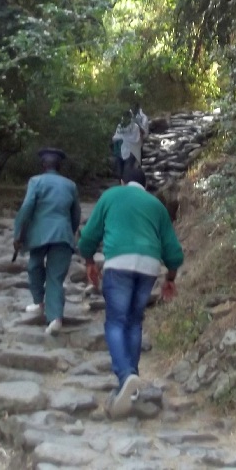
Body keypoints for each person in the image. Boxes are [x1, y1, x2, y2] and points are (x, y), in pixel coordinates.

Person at [77, 166, 183, 419]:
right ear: (145, 185)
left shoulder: (111, 196)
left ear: (123, 181)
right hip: (148, 267)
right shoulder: (155, 205)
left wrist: (89, 260)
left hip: (119, 264)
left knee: (115, 321)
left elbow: (90, 234)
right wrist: (170, 277)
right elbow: (172, 247)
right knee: (134, 322)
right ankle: (132, 385)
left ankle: (126, 376)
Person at [13, 148, 81, 336]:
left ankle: (39, 302)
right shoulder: (70, 185)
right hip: (63, 234)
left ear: (43, 165)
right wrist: (71, 231)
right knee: (55, 277)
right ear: (59, 166)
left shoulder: (36, 181)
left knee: (34, 266)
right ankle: (55, 317)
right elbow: (76, 214)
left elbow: (27, 208)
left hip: (39, 234)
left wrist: (18, 234)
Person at [111, 111, 143, 179]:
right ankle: (122, 185)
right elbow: (116, 137)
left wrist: (122, 138)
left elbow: (135, 139)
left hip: (131, 152)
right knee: (120, 172)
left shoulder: (135, 127)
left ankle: (128, 185)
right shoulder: (120, 126)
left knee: (128, 171)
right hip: (119, 152)